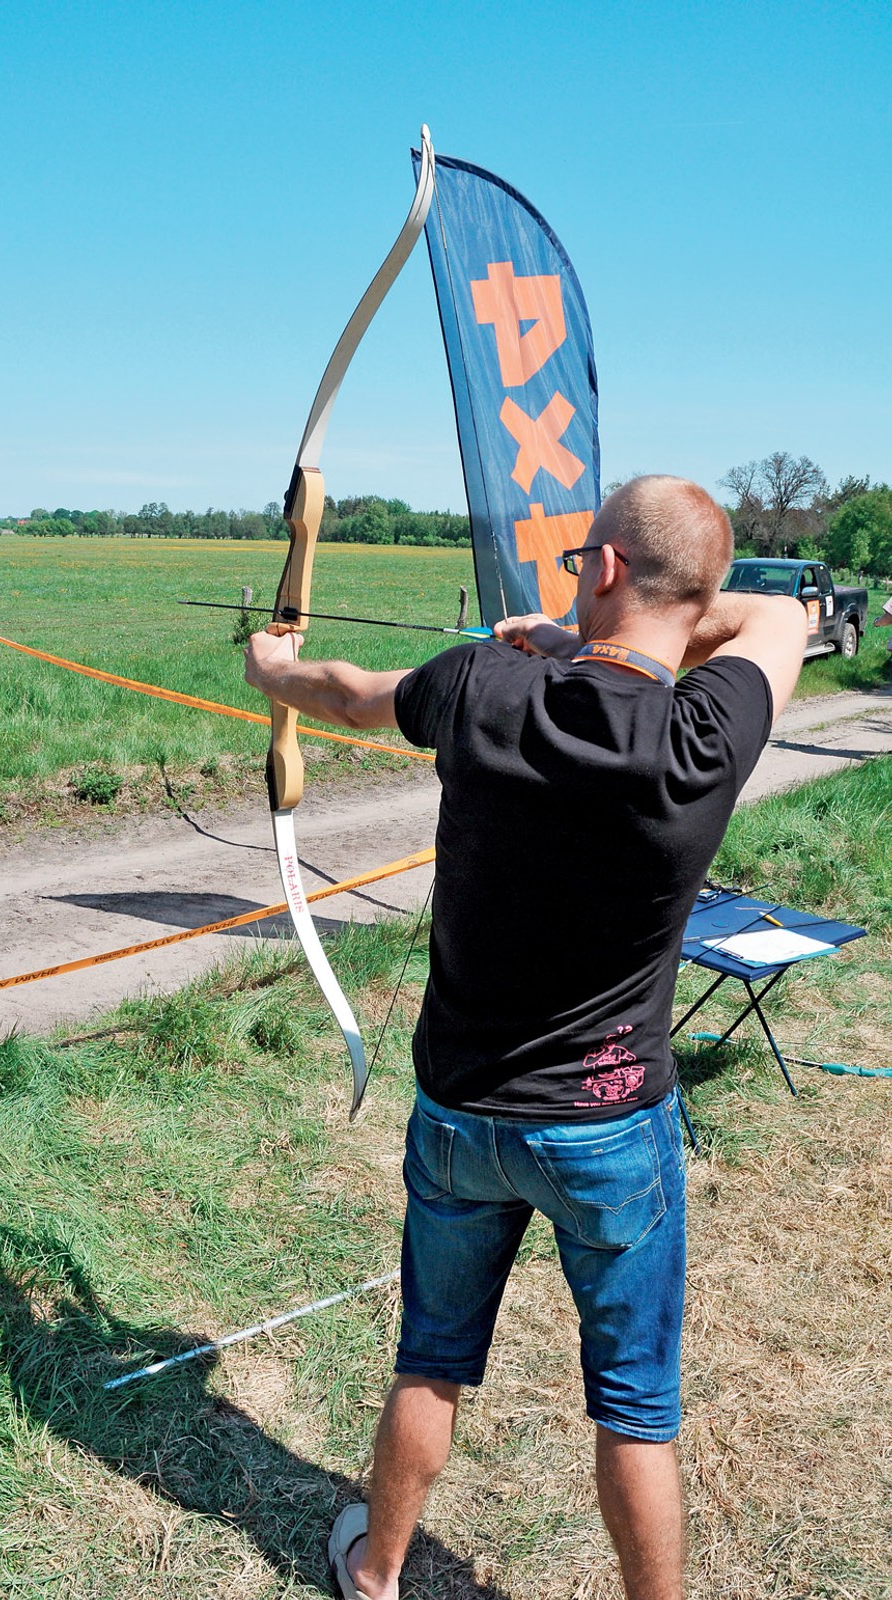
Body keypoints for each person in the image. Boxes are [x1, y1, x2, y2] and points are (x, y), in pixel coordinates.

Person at [244, 476, 807, 1600]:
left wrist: (269, 670)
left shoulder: (482, 686)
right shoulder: (707, 733)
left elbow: (347, 695)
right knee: (637, 1411)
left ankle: (378, 1571)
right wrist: (599, 635)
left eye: (583, 560)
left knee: (431, 1360)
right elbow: (775, 615)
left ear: (606, 568)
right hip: (611, 1124)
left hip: (462, 1114)